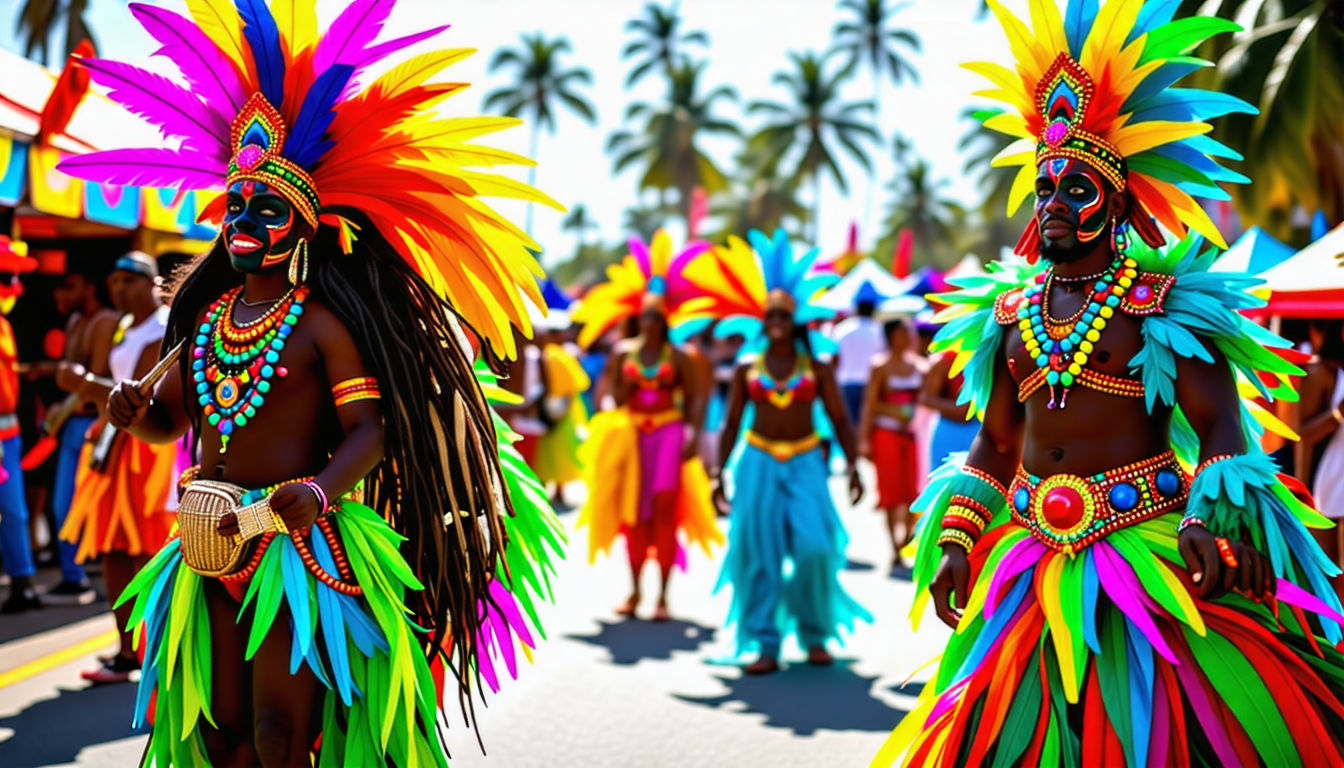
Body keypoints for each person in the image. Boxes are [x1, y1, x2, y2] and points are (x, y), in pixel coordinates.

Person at [60, 1, 563, 763]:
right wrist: (130, 411)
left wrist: (321, 491)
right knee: (218, 731)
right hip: (203, 541)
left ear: (304, 225)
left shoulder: (324, 321)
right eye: (236, 204)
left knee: (278, 736)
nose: (244, 220)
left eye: (266, 208)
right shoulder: (206, 317)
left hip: (299, 545)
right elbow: (171, 423)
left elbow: (372, 429)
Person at [873, 2, 1344, 764]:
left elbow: (1222, 426)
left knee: (1161, 737)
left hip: (1147, 549)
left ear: (1119, 200)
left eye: (1077, 189)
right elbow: (996, 441)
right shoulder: (1007, 315)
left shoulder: (1164, 311)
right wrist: (958, 532)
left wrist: (1213, 519)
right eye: (1045, 187)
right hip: (1026, 559)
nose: (1055, 204)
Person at [685, 229, 869, 675]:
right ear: (763, 320)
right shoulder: (749, 366)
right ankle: (765, 642)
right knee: (758, 553)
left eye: (785, 315)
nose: (777, 322)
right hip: (758, 463)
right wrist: (716, 475)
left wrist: (856, 465)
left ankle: (813, 632)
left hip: (806, 461)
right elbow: (730, 424)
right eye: (771, 315)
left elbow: (841, 420)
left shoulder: (817, 366)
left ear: (798, 320)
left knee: (815, 548)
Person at [574, 230, 721, 621]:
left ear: (666, 319)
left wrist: (691, 435)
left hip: (670, 437)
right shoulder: (624, 353)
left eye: (658, 316)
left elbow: (696, 397)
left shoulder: (681, 355)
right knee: (633, 514)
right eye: (646, 315)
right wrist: (623, 376)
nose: (652, 322)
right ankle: (636, 592)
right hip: (632, 438)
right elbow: (616, 398)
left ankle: (663, 598)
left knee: (664, 511)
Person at [58, 251, 176, 682]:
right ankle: (129, 652)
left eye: (129, 280)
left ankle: (161, 649)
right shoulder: (126, 326)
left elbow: (142, 394)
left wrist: (87, 385)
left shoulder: (164, 327)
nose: (119, 288)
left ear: (153, 283)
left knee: (150, 552)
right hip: (114, 448)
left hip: (149, 456)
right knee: (113, 549)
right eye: (115, 281)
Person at [44, 267, 119, 605]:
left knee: (95, 506)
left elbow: (93, 379)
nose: (61, 296)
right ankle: (73, 576)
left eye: (69, 286)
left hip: (96, 424)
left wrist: (66, 401)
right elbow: (69, 376)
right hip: (73, 424)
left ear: (89, 286)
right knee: (64, 506)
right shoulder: (75, 322)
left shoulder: (105, 320)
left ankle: (91, 576)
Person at [858, 316, 925, 571]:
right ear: (890, 336)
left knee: (913, 492)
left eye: (909, 332)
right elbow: (870, 405)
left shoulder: (921, 366)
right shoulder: (880, 366)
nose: (907, 337)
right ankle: (893, 547)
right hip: (885, 435)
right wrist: (864, 440)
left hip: (914, 437)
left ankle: (906, 537)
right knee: (889, 493)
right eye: (901, 332)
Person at [0, 236, 40, 613]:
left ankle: (23, 580)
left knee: (12, 510)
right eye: (5, 277)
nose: (14, 287)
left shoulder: (5, 325)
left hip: (7, 433)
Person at [1295, 320, 1344, 571]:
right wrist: (1337, 414)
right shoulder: (1323, 372)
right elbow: (1302, 435)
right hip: (1336, 480)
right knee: (1331, 572)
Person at [920, 349, 978, 468]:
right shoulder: (942, 359)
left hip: (978, 433)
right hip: (948, 432)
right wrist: (959, 410)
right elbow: (926, 398)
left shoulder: (988, 352)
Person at [831, 296, 884, 425]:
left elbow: (833, 358)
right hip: (870, 384)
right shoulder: (879, 330)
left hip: (845, 383)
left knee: (848, 424)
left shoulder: (842, 329)